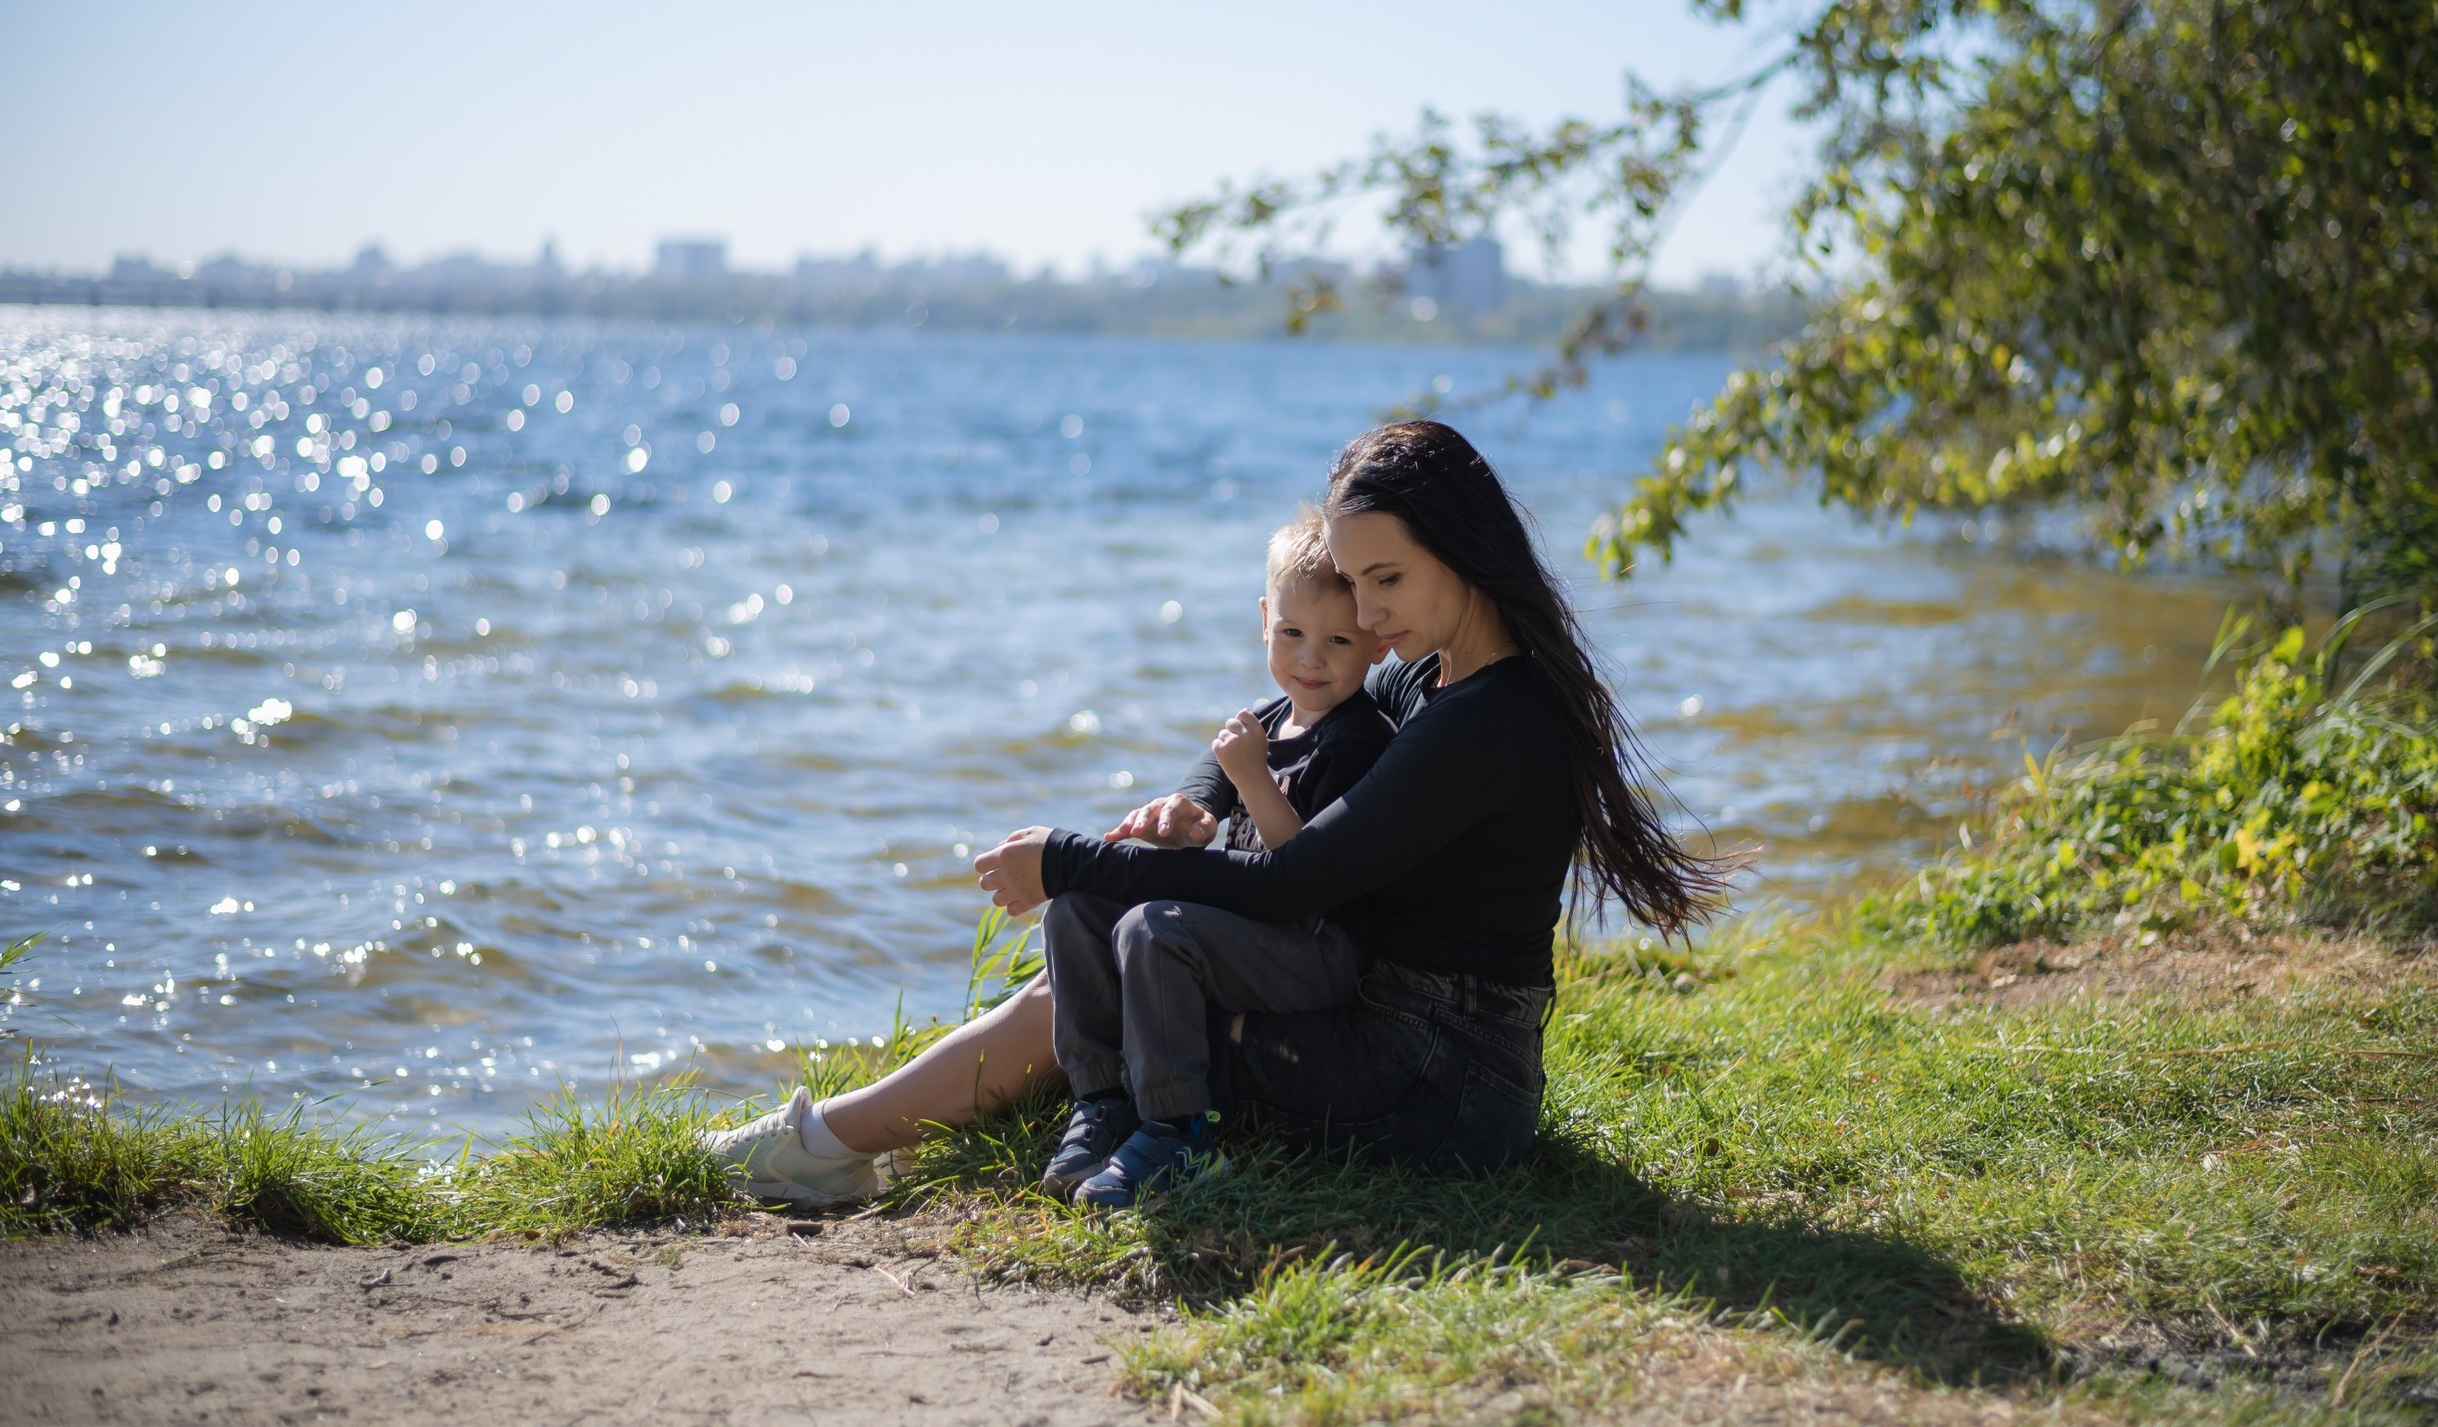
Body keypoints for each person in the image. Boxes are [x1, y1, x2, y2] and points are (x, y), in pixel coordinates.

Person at [703, 419, 1726, 1202]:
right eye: (1356, 583)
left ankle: (824, 1147)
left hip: (1440, 1080)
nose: (1365, 618)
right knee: (1100, 960)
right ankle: (845, 1138)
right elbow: (1285, 714)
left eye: (1386, 581)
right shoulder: (1436, 672)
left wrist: (1067, 858)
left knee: (1097, 991)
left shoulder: (1487, 719)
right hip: (1383, 1021)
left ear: (1461, 549)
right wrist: (1195, 802)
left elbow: (1294, 880)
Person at [1038, 508, 1395, 1208]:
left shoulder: (1361, 742)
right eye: (1291, 633)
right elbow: (1211, 787)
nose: (1310, 658)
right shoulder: (1267, 718)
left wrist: (1255, 780)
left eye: (1337, 639)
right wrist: (1187, 812)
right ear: (1265, 618)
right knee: (1076, 908)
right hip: (1255, 926)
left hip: (1318, 944)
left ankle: (1178, 1132)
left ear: (1377, 643)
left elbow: (1307, 873)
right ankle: (1104, 1097)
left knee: (1154, 928)